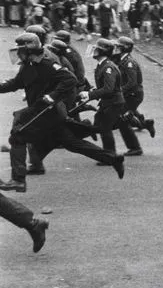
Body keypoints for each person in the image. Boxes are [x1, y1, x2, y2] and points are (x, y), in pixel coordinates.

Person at [0, 33, 124, 193]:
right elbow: (17, 83)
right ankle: (114, 159)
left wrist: (53, 96)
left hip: (48, 111)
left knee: (17, 136)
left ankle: (18, 180)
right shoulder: (28, 65)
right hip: (45, 111)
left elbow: (70, 79)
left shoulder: (47, 63)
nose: (18, 54)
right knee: (72, 143)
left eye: (21, 50)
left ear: (30, 50)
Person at [115, 36, 155, 145]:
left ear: (124, 48)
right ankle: (145, 123)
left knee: (122, 117)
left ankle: (135, 146)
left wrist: (119, 91)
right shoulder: (122, 60)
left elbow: (132, 82)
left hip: (134, 94)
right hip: (130, 94)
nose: (116, 48)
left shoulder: (129, 63)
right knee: (123, 114)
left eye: (118, 47)